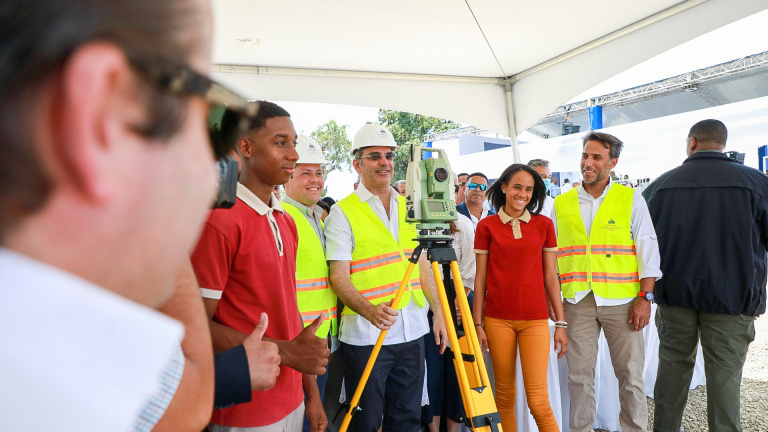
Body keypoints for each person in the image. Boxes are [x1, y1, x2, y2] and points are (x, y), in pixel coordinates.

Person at [0, 0, 227, 430]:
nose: (212, 178)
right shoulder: (62, 364)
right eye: (210, 115)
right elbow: (191, 398)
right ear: (103, 114)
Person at [191, 101, 330, 432]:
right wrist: (287, 353)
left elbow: (289, 311)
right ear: (246, 147)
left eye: (293, 143)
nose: (294, 155)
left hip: (291, 400)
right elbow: (193, 326)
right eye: (281, 143)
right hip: (243, 409)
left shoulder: (285, 220)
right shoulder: (220, 221)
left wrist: (310, 393)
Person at [644, 119, 768, 432]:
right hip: (733, 297)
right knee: (725, 378)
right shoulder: (756, 183)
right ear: (723, 144)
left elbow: (640, 243)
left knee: (672, 371)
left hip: (675, 295)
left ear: (692, 142)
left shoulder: (661, 185)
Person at [325, 121, 448, 432]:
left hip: (412, 330)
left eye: (389, 156)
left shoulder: (410, 206)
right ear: (357, 164)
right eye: (375, 156)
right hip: (367, 335)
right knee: (365, 421)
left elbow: (421, 265)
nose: (384, 163)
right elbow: (338, 277)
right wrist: (368, 310)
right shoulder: (343, 212)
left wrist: (439, 313)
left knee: (406, 419)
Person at [551, 132, 661, 432]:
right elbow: (551, 256)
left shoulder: (631, 199)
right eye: (585, 155)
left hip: (623, 302)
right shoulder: (561, 204)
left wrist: (645, 297)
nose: (588, 163)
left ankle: (634, 429)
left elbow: (647, 249)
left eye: (596, 157)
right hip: (576, 301)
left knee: (629, 376)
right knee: (578, 377)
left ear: (612, 163)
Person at [472, 164, 567, 432]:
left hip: (535, 321)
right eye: (517, 187)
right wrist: (478, 324)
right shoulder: (487, 226)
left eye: (529, 189)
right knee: (503, 397)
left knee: (538, 401)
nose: (522, 194)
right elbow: (480, 278)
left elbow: (551, 277)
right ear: (503, 187)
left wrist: (561, 324)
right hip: (496, 320)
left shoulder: (544, 224)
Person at [281, 135, 339, 432]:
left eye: (319, 172)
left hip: (320, 339)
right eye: (306, 172)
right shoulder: (284, 217)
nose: (315, 180)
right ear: (287, 177)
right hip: (298, 342)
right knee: (306, 419)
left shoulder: (316, 215)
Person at [421, 215, 475, 432]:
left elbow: (470, 266)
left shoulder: (462, 223)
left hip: (456, 297)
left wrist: (461, 298)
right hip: (425, 301)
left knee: (456, 370)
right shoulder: (415, 220)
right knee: (431, 370)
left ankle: (453, 428)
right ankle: (432, 428)